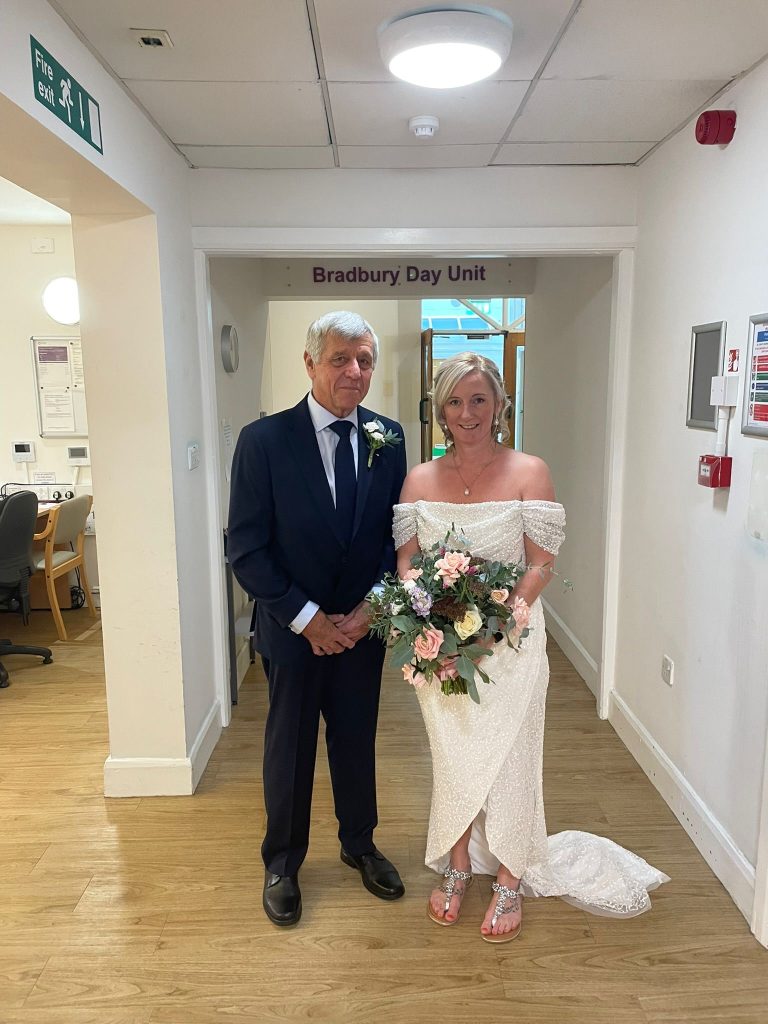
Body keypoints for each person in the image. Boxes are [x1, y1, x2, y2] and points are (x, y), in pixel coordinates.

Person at [394, 352, 668, 943]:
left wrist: (493, 625)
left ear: (499, 406)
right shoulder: (419, 479)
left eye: (479, 400)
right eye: (455, 401)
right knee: (454, 758)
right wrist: (427, 628)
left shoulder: (529, 471)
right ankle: (457, 866)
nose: (467, 412)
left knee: (513, 760)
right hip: (442, 651)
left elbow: (542, 564)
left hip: (511, 645)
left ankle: (511, 879)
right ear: (440, 411)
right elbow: (409, 563)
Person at [228, 311, 407, 927]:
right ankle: (282, 861)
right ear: (309, 363)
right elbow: (246, 548)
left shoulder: (390, 436)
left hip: (362, 633)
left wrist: (369, 610)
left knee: (356, 742)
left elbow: (395, 536)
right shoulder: (264, 441)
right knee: (291, 747)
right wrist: (308, 619)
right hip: (292, 632)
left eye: (364, 360)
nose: (355, 372)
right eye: (340, 359)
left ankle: (360, 844)